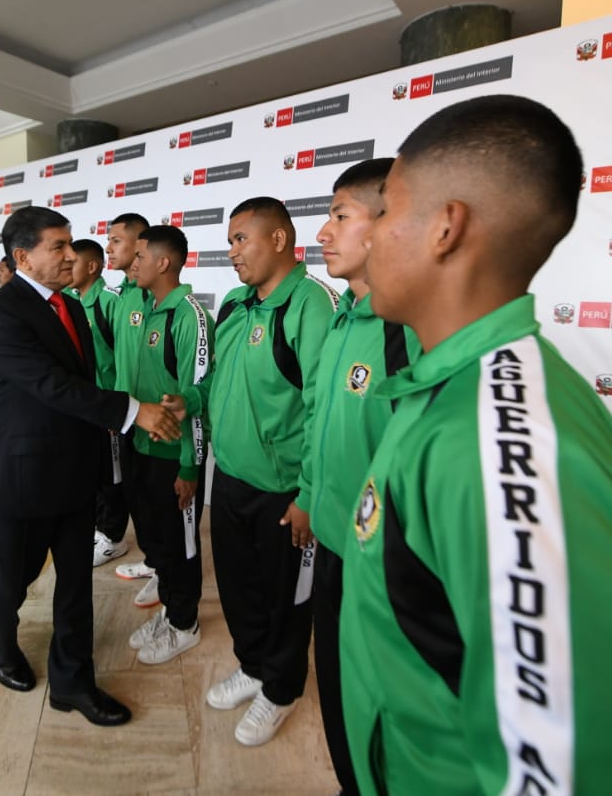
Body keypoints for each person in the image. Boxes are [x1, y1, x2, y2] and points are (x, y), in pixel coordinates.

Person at [340, 95, 612, 794]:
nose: (369, 238)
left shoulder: (499, 442)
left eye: (388, 211)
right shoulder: (448, 388)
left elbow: (578, 767)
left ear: (445, 228)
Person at [0, 205, 180, 728]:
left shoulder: (69, 307)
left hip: (73, 474)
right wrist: (134, 412)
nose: (72, 255)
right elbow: (52, 386)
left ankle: (73, 682)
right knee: (10, 580)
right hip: (21, 479)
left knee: (75, 588)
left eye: (72, 244)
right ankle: (1, 645)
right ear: (23, 256)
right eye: (58, 247)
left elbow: (80, 389)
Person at [168, 196, 339, 746]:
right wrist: (188, 402)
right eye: (231, 239)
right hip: (231, 478)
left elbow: (322, 407)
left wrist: (309, 493)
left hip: (285, 490)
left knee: (286, 597)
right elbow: (218, 382)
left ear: (280, 240)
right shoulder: (236, 304)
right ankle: (253, 665)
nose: (232, 250)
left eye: (242, 238)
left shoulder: (310, 305)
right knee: (239, 589)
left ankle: (282, 688)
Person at [284, 158, 418, 793]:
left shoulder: (411, 333)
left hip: (385, 570)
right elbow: (321, 423)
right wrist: (310, 497)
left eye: (339, 216)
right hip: (334, 548)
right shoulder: (341, 319)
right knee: (337, 693)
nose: (322, 233)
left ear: (389, 224)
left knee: (386, 709)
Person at [124, 226, 214, 666]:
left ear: (164, 262)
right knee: (160, 544)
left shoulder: (189, 315)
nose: (132, 263)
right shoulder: (149, 308)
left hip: (174, 459)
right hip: (143, 450)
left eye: (140, 256)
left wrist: (190, 468)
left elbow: (195, 397)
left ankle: (185, 623)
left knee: (183, 547)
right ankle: (170, 609)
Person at [67, 238, 127, 567]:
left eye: (72, 261)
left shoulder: (110, 301)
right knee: (95, 472)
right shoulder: (73, 303)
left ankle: (113, 537)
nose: (65, 265)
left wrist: (115, 410)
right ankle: (99, 526)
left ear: (91, 266)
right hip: (86, 407)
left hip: (111, 410)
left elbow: (125, 359)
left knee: (113, 476)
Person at [103, 213, 154, 588]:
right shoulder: (123, 293)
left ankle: (163, 567)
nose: (109, 247)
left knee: (159, 502)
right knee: (135, 493)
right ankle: (154, 559)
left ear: (140, 245)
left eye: (116, 240)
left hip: (156, 420)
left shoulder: (154, 293)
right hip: (126, 415)